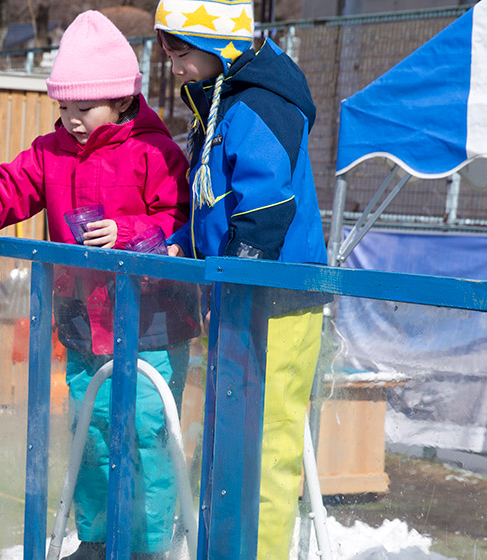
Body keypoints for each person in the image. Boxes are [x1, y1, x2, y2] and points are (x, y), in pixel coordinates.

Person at [0, 10, 200, 560]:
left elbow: (183, 224)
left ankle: (149, 545)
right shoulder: (51, 151)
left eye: (84, 108)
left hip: (151, 324)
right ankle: (99, 537)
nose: (73, 120)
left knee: (145, 435)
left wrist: (131, 234)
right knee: (89, 433)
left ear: (124, 102)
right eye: (63, 108)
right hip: (84, 322)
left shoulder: (156, 153)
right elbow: (11, 185)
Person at [154, 1, 327, 558]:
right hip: (238, 299)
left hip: (276, 302)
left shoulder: (259, 104)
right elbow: (219, 205)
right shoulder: (221, 102)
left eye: (180, 53)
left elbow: (265, 210)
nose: (174, 68)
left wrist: (234, 287)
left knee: (266, 448)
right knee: (231, 440)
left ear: (219, 45)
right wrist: (183, 244)